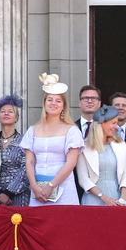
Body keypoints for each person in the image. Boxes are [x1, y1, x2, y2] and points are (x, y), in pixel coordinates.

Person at [22, 73, 84, 206]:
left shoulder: (72, 130)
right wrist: (34, 186)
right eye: (50, 99)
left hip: (64, 188)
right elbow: (29, 161)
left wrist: (51, 185)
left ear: (63, 105)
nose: (53, 103)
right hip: (37, 191)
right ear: (44, 103)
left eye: (58, 100)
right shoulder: (32, 130)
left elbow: (71, 163)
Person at [78, 105, 126, 206]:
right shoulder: (84, 147)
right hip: (93, 199)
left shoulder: (121, 144)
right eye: (113, 123)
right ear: (102, 124)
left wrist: (123, 199)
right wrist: (103, 197)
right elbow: (83, 179)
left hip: (117, 199)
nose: (117, 126)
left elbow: (125, 174)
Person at [0, 94, 30, 207]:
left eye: (10, 111)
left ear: (17, 117)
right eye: (3, 111)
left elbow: (26, 168)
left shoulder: (24, 141)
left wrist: (9, 192)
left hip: (19, 194)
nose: (6, 113)